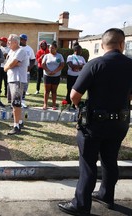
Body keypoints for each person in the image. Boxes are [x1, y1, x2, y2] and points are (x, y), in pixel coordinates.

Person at [58, 28, 132, 215]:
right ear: (122, 44)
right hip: (120, 122)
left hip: (95, 123)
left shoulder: (95, 64)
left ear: (102, 44)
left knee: (88, 163)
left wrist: (79, 106)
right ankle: (107, 196)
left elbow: (74, 95)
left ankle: (81, 205)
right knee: (110, 160)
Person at [4, 34, 27, 135]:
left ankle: (16, 126)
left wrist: (11, 64)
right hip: (11, 79)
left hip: (18, 80)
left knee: (16, 103)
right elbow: (6, 65)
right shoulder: (11, 51)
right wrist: (10, 65)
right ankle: (20, 122)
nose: (7, 42)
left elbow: (11, 64)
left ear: (16, 42)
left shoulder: (21, 51)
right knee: (15, 103)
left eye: (9, 41)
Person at [41, 41, 64, 110]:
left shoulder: (59, 56)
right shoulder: (46, 56)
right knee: (46, 91)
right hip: (47, 75)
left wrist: (55, 71)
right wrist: (48, 71)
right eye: (50, 48)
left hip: (56, 76)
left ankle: (54, 105)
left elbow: (62, 65)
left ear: (56, 48)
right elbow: (43, 64)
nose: (51, 49)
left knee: (54, 91)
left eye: (52, 48)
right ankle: (45, 104)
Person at [65, 43, 86, 109]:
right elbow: (71, 66)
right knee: (69, 90)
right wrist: (80, 66)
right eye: (80, 50)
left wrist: (77, 67)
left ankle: (75, 105)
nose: (81, 51)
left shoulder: (82, 58)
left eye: (81, 50)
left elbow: (84, 66)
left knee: (77, 91)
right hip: (71, 76)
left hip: (79, 77)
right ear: (75, 50)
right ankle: (68, 104)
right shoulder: (70, 57)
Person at [19, 34, 35, 108]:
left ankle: (23, 101)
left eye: (22, 39)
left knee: (25, 86)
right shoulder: (17, 48)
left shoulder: (29, 49)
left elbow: (33, 59)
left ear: (25, 40)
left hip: (26, 71)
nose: (21, 40)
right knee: (17, 87)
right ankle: (16, 101)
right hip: (18, 71)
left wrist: (30, 67)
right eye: (20, 39)